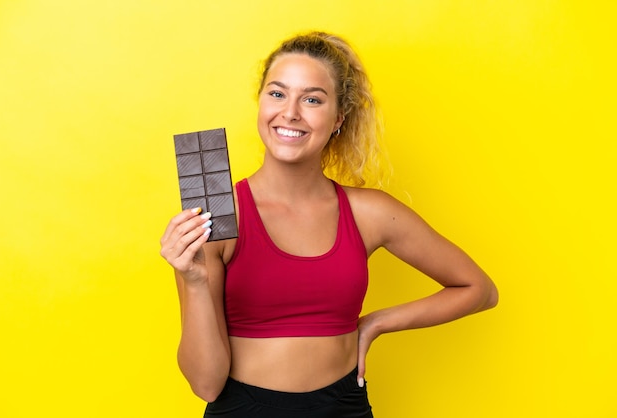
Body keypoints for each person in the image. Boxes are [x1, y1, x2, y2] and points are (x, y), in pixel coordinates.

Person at [160, 31, 498, 418]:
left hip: (344, 407)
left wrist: (375, 323)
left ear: (338, 118)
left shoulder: (368, 212)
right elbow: (206, 383)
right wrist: (194, 280)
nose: (290, 112)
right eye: (277, 93)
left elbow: (480, 290)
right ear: (260, 104)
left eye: (312, 99)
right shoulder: (218, 214)